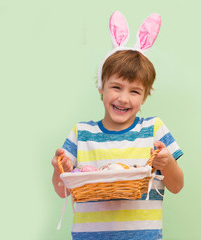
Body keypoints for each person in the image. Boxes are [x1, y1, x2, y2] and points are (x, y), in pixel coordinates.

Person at [51, 11, 184, 240]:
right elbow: (63, 190)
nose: (124, 98)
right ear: (101, 87)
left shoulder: (154, 130)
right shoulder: (81, 134)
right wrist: (59, 169)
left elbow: (177, 186)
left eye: (135, 91)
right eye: (116, 87)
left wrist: (168, 163)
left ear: (144, 97)